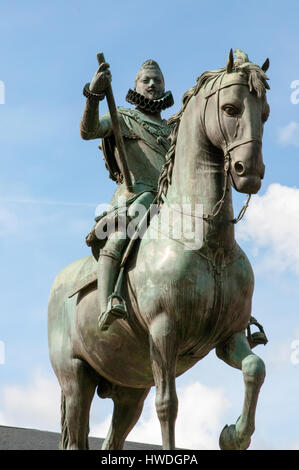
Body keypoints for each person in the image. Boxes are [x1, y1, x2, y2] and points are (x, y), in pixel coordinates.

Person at [80, 59, 174, 331]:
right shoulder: (122, 117)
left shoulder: (174, 130)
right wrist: (95, 95)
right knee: (121, 235)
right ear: (136, 86)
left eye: (157, 80)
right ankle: (107, 301)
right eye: (146, 80)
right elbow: (88, 131)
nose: (152, 84)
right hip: (137, 197)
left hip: (173, 201)